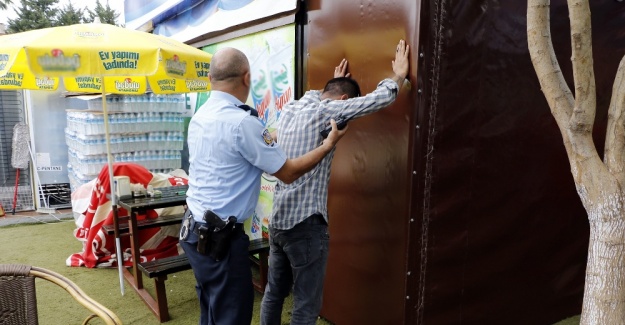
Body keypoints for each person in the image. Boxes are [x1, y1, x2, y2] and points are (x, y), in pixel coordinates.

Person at [181, 47, 347, 325]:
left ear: (210, 78)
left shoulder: (201, 116)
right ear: (247, 77)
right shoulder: (243, 123)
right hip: (221, 240)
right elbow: (289, 172)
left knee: (211, 310)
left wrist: (326, 94)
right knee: (231, 316)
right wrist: (328, 145)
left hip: (194, 232)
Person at [260, 39, 411, 325]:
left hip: (278, 221)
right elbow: (380, 98)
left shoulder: (293, 107)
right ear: (343, 102)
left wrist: (336, 82)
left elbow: (323, 95)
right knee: (306, 303)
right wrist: (399, 75)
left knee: (274, 294)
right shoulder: (329, 112)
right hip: (305, 225)